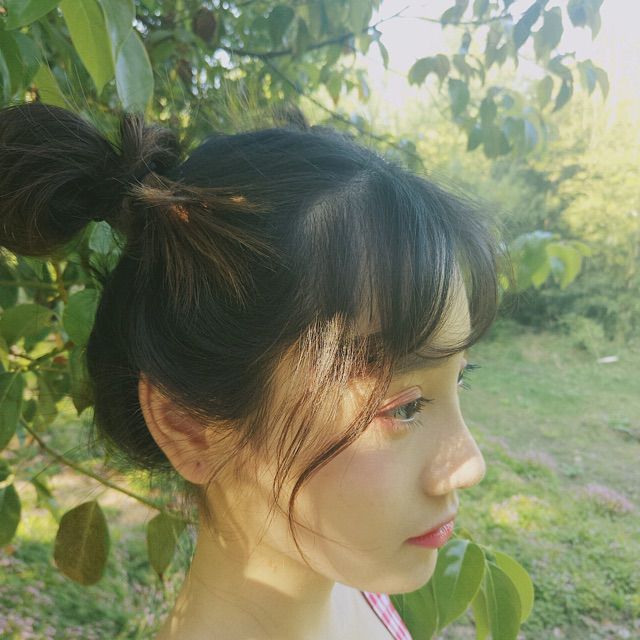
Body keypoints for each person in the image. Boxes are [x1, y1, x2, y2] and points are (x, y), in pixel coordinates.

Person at [0, 101, 500, 640]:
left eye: (460, 377)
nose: (469, 465)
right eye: (404, 407)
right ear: (188, 426)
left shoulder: (353, 585)